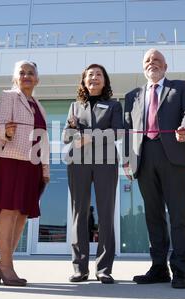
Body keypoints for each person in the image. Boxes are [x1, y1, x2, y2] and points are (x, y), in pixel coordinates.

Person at [123, 49, 185, 289]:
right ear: (143, 67)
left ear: (165, 66)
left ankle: (180, 270)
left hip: (173, 154)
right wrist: (127, 159)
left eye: (157, 60)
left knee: (179, 215)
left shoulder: (180, 87)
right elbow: (127, 131)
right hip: (143, 157)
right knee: (153, 216)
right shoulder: (132, 95)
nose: (152, 63)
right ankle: (158, 268)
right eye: (147, 60)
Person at [0, 60, 50, 286]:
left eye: (31, 73)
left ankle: (3, 262)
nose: (26, 76)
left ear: (37, 79)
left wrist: (44, 168)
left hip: (31, 164)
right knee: (9, 210)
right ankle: (6, 266)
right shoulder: (9, 96)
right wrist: (6, 131)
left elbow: (43, 138)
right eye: (22, 73)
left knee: (22, 214)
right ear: (15, 77)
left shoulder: (39, 106)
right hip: (10, 159)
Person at [63, 63, 123, 284]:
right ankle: (80, 268)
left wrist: (91, 137)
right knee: (79, 213)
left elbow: (118, 131)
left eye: (99, 75)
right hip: (78, 162)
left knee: (106, 213)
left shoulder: (114, 105)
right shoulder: (74, 106)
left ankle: (104, 268)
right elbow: (66, 136)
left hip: (105, 162)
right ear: (84, 81)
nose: (94, 78)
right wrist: (72, 133)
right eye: (90, 75)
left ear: (104, 80)